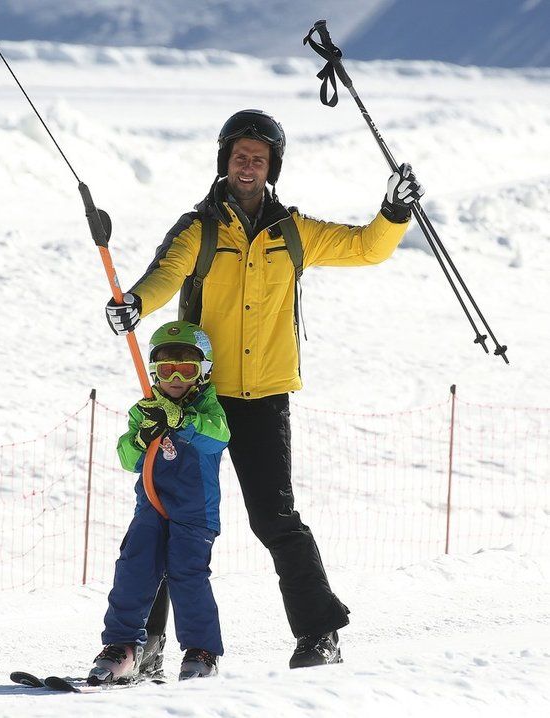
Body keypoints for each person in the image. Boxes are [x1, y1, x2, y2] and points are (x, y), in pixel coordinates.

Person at [104, 109, 424, 669]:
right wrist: (133, 302)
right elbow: (165, 274)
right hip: (196, 398)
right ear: (224, 163)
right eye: (238, 156)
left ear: (271, 166)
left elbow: (367, 248)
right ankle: (146, 644)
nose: (248, 166)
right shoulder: (199, 228)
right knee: (168, 515)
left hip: (265, 399)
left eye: (258, 158)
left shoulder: (294, 233)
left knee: (275, 519)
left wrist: (394, 211)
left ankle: (318, 634)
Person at [91, 320, 230, 685]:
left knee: (187, 573)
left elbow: (218, 437)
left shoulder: (208, 408)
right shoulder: (147, 409)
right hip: (152, 506)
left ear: (203, 372)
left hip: (194, 511)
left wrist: (182, 419)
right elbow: (127, 458)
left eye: (187, 369)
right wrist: (142, 436)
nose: (176, 377)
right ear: (153, 371)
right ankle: (123, 646)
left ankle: (202, 650)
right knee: (134, 566)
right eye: (166, 369)